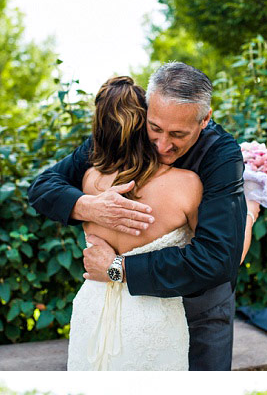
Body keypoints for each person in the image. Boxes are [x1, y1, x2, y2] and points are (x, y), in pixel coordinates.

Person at [28, 62, 258, 371]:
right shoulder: (122, 135)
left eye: (178, 134)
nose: (164, 145)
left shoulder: (222, 156)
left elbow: (219, 259)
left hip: (201, 309)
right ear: (146, 109)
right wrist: (90, 206)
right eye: (155, 129)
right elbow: (42, 187)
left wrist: (116, 269)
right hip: (119, 312)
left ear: (205, 119)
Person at [65, 76, 203, 370]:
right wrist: (253, 205)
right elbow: (221, 256)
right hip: (152, 320)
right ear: (146, 124)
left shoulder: (89, 180)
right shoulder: (186, 186)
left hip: (91, 310)